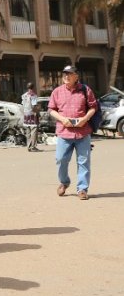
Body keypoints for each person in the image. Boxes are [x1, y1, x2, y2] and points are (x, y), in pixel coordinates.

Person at [47, 65, 97, 200]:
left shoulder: (85, 90)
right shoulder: (57, 92)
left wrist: (85, 119)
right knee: (61, 159)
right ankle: (64, 182)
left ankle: (82, 189)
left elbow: (93, 107)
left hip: (83, 132)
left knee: (84, 161)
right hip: (64, 132)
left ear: (76, 76)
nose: (66, 76)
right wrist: (62, 119)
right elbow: (51, 109)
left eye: (70, 74)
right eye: (64, 74)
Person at [21, 82, 41, 151]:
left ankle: (28, 146)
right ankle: (33, 146)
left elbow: (22, 105)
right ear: (33, 87)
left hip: (26, 115)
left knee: (28, 131)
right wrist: (38, 113)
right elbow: (34, 106)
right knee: (34, 131)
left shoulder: (24, 95)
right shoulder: (33, 95)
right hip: (33, 114)